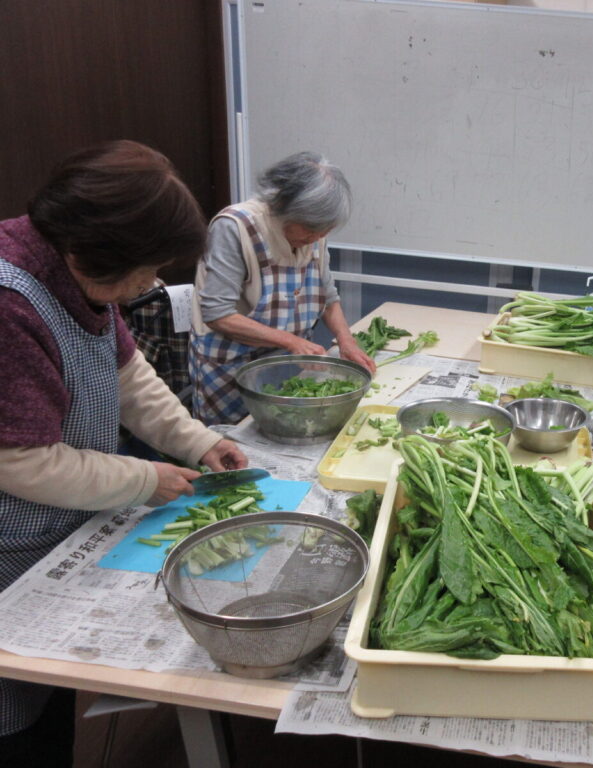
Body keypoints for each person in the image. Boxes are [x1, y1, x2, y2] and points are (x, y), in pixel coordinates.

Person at [0, 140, 248, 765]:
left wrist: (198, 440)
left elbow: (129, 377)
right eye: (147, 266)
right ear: (97, 249)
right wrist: (143, 479)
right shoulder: (10, 304)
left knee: (45, 698)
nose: (152, 282)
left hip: (47, 528)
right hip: (8, 540)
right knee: (12, 718)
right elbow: (19, 460)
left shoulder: (78, 277)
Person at [189, 151, 375, 425]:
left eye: (324, 230)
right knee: (234, 439)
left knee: (285, 426)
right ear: (283, 208)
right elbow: (218, 314)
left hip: (287, 363)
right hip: (231, 366)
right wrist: (291, 341)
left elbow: (328, 296)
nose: (317, 237)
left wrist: (346, 340)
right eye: (310, 229)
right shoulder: (236, 227)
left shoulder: (314, 234)